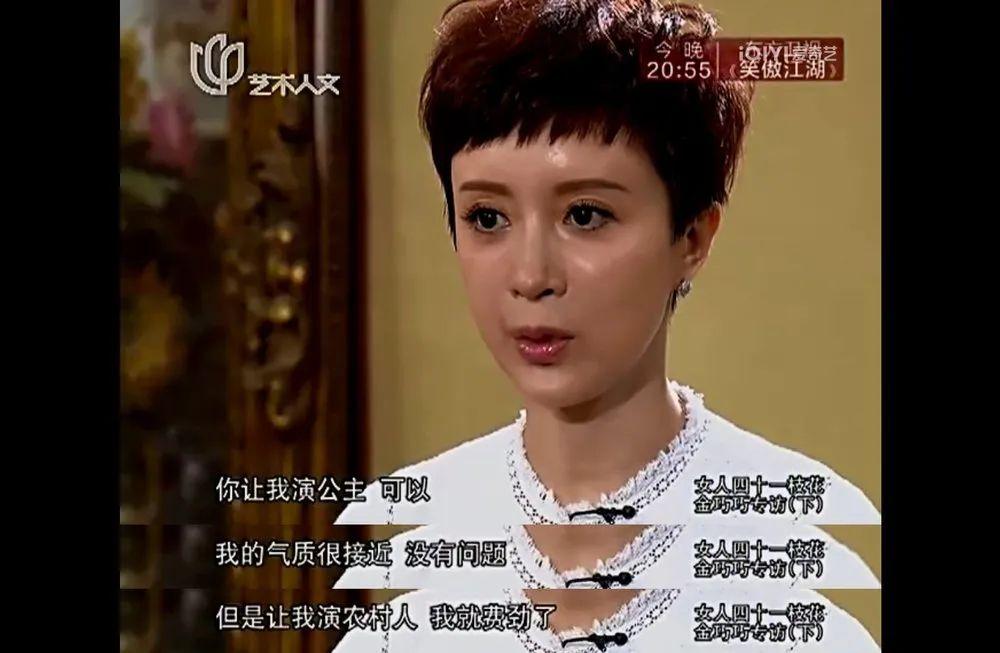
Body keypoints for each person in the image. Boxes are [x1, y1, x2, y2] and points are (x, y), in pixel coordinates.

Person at [335, 0, 880, 529]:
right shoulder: (413, 547)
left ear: (692, 238)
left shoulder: (789, 538)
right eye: (487, 218)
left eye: (585, 215)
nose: (531, 277)